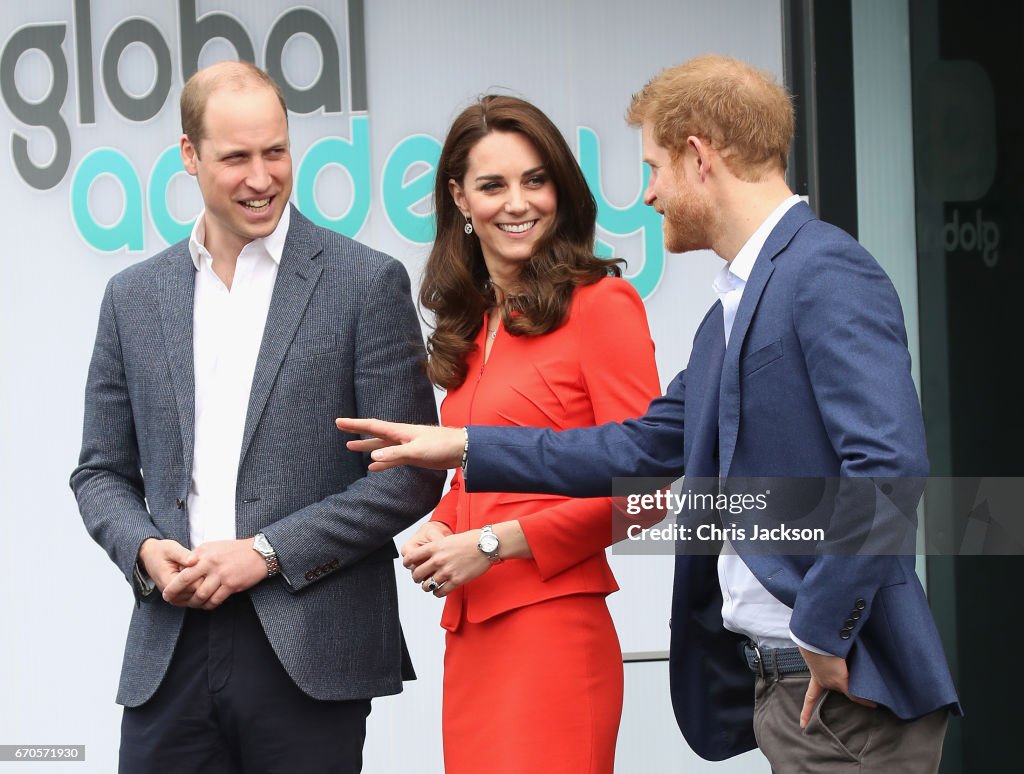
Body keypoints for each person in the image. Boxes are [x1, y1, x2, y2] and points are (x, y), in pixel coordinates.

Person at [337, 56, 962, 772]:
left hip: (839, 680)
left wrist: (822, 626)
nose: (650, 192)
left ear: (699, 156)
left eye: (655, 166)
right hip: (781, 683)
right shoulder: (732, 311)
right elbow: (637, 447)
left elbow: (888, 468)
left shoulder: (823, 272)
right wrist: (463, 450)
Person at [70, 61, 443, 774]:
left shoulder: (365, 282)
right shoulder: (132, 297)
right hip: (169, 644)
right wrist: (147, 553)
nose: (261, 177)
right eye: (236, 157)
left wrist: (266, 552)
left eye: (275, 151)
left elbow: (409, 475)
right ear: (189, 156)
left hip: (309, 645)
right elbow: (100, 472)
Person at [394, 95, 660, 774]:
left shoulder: (603, 306)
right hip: (473, 633)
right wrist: (442, 524)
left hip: (553, 635)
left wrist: (492, 543)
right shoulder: (474, 321)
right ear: (460, 198)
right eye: (493, 185)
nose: (518, 203)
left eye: (535, 180)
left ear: (561, 190)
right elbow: (488, 469)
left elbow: (647, 485)